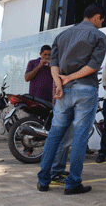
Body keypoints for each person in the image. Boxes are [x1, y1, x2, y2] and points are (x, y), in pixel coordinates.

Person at [37, 3, 106, 195]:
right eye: (101, 20)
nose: (101, 24)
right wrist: (71, 78)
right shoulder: (99, 36)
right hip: (85, 89)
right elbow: (94, 65)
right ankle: (73, 183)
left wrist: (60, 84)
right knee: (80, 136)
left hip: (64, 91)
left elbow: (54, 64)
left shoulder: (62, 36)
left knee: (54, 134)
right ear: (96, 17)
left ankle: (43, 181)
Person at [26, 44, 72, 185]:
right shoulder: (33, 63)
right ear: (40, 54)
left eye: (49, 55)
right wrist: (40, 66)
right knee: (35, 126)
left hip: (51, 102)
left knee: (53, 133)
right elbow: (27, 77)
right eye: (45, 55)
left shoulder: (55, 66)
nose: (47, 57)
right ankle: (28, 150)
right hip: (35, 101)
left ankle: (55, 168)